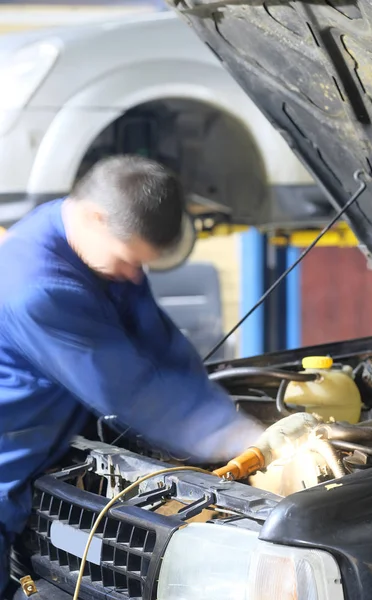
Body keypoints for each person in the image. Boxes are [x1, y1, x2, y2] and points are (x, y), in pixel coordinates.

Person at [0, 155, 264, 596]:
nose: (131, 274)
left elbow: (158, 341)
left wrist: (219, 403)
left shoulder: (87, 236)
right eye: (128, 259)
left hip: (50, 444)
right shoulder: (39, 290)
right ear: (95, 216)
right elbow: (131, 391)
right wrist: (243, 436)